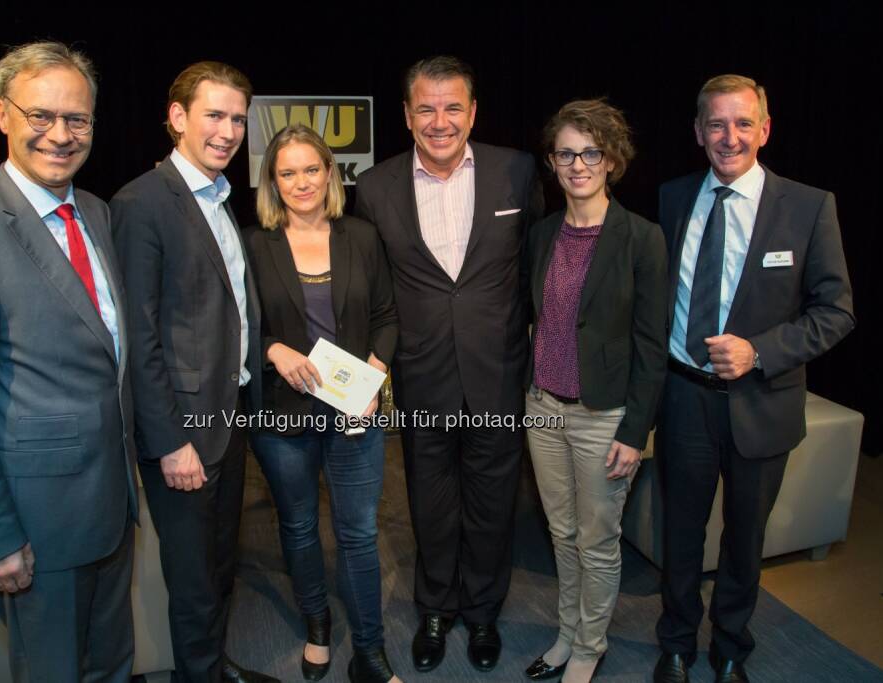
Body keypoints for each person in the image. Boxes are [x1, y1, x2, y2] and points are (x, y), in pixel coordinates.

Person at [0, 41, 137, 682]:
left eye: (78, 120)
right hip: (37, 525)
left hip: (110, 509)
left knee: (110, 665)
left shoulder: (94, 212)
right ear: (1, 113)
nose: (60, 136)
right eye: (40, 115)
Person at [653, 74, 854, 683]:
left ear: (765, 129)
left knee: (744, 543)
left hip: (762, 403)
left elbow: (837, 311)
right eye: (716, 123)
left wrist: (760, 351)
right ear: (698, 132)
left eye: (743, 123)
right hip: (685, 399)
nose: (729, 136)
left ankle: (731, 647)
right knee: (681, 539)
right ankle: (678, 645)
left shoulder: (810, 206)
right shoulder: (672, 197)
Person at [354, 55, 542, 673]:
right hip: (421, 377)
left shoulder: (516, 172)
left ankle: (484, 611)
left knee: (493, 504)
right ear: (407, 115)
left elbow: (537, 264)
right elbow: (371, 289)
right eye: (427, 108)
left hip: (498, 375)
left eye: (453, 106)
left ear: (473, 111)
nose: (441, 121)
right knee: (430, 505)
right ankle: (436, 608)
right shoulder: (375, 188)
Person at [111, 62, 276, 683]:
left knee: (220, 565)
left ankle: (212, 667)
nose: (229, 130)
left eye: (237, 118)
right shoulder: (143, 203)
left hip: (228, 418)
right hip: (183, 431)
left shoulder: (220, 198)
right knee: (193, 578)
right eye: (214, 115)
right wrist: (170, 440)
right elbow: (139, 336)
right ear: (178, 117)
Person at [245, 124, 401, 683]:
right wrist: (271, 347)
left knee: (359, 533)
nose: (301, 182)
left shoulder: (361, 236)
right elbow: (236, 324)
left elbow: (386, 316)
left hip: (354, 414)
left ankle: (370, 649)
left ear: (331, 173)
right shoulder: (252, 244)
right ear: (272, 181)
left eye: (312, 169)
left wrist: (375, 376)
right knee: (301, 527)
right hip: (282, 415)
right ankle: (317, 625)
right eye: (287, 172)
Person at [521, 99, 668, 683]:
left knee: (598, 540)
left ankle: (590, 644)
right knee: (561, 533)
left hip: (605, 418)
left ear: (610, 160)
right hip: (544, 410)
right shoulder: (541, 234)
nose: (577, 164)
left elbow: (652, 347)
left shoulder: (642, 238)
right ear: (553, 163)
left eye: (590, 152)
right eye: (566, 153)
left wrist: (635, 434)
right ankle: (565, 633)